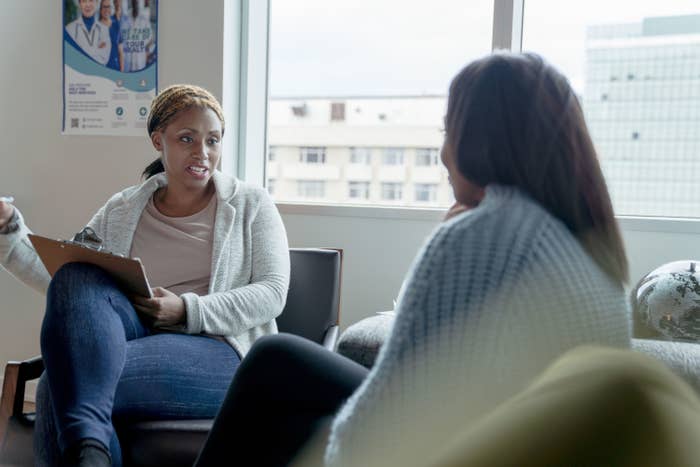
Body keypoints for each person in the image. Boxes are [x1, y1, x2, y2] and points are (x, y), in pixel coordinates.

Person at [193, 52, 631, 467]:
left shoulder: (484, 238)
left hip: (476, 447)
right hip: (525, 440)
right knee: (282, 359)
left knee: (272, 366)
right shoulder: (587, 245)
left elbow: (375, 436)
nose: (442, 155)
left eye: (449, 133)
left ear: (481, 141)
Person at [0, 84, 290, 466]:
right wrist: (9, 228)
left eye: (213, 140)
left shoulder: (251, 204)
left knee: (60, 383)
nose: (202, 153)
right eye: (187, 139)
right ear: (159, 141)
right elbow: (59, 278)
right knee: (77, 276)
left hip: (221, 349)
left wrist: (187, 310)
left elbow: (272, 291)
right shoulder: (123, 208)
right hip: (135, 334)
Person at [65, 0, 111, 66]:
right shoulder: (69, 29)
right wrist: (97, 50)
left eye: (91, 0)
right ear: (79, 4)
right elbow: (71, 58)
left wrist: (81, 50)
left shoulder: (104, 30)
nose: (88, 5)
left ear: (97, 3)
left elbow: (104, 58)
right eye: (84, 1)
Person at [120, 0, 154, 72]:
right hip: (127, 63)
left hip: (140, 63)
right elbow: (120, 40)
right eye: (134, 2)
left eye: (137, 2)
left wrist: (147, 53)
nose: (135, 4)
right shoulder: (125, 18)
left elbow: (150, 40)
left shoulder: (144, 20)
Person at [99, 0, 124, 71]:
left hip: (115, 68)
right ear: (100, 10)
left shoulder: (116, 25)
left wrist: (122, 72)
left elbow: (121, 53)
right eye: (104, 7)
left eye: (108, 7)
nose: (106, 9)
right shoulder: (96, 27)